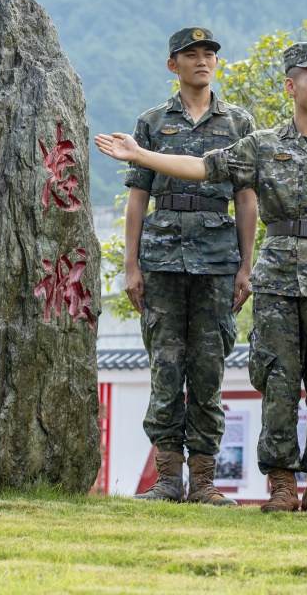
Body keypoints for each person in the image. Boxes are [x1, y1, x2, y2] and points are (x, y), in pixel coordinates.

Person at [96, 41, 307, 515]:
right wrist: (141, 156)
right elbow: (203, 167)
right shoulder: (263, 144)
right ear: (291, 86)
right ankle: (283, 486)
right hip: (277, 282)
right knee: (278, 384)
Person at [123, 26, 256, 506]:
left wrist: (247, 265)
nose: (202, 61)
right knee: (165, 365)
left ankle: (203, 481)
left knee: (208, 369)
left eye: (209, 54)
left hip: (218, 261)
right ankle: (166, 479)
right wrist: (130, 264)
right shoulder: (152, 123)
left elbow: (246, 198)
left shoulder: (239, 123)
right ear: (172, 65)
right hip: (161, 260)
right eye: (191, 55)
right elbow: (138, 198)